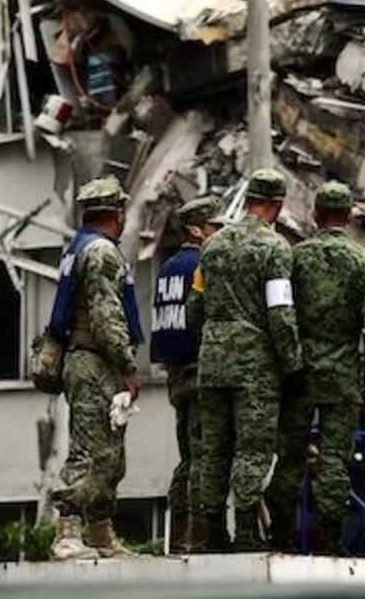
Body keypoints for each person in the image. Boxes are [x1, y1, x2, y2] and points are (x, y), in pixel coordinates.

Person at [267, 181, 365, 554]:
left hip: (299, 375)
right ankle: (332, 539)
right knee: (334, 460)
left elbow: (279, 315)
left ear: (315, 214)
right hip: (343, 376)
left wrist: (288, 364)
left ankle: (281, 537)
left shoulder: (293, 257)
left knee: (289, 457)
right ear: (349, 216)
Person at [193, 169, 304, 552]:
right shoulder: (275, 249)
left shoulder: (212, 246)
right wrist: (292, 364)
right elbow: (280, 313)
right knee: (252, 448)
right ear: (277, 204)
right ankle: (243, 531)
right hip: (253, 365)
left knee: (214, 449)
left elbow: (196, 306)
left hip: (212, 359)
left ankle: (209, 531)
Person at [48, 176, 143, 561]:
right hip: (93, 361)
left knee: (109, 453)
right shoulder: (102, 252)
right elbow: (107, 318)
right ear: (118, 212)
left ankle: (102, 535)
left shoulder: (79, 246)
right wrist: (128, 367)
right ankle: (67, 535)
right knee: (88, 450)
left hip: (90, 361)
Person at [149, 195, 221, 554]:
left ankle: (178, 535)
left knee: (187, 458)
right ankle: (197, 536)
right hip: (199, 372)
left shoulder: (167, 267)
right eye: (214, 227)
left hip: (176, 375)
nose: (218, 233)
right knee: (203, 457)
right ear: (197, 229)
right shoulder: (202, 265)